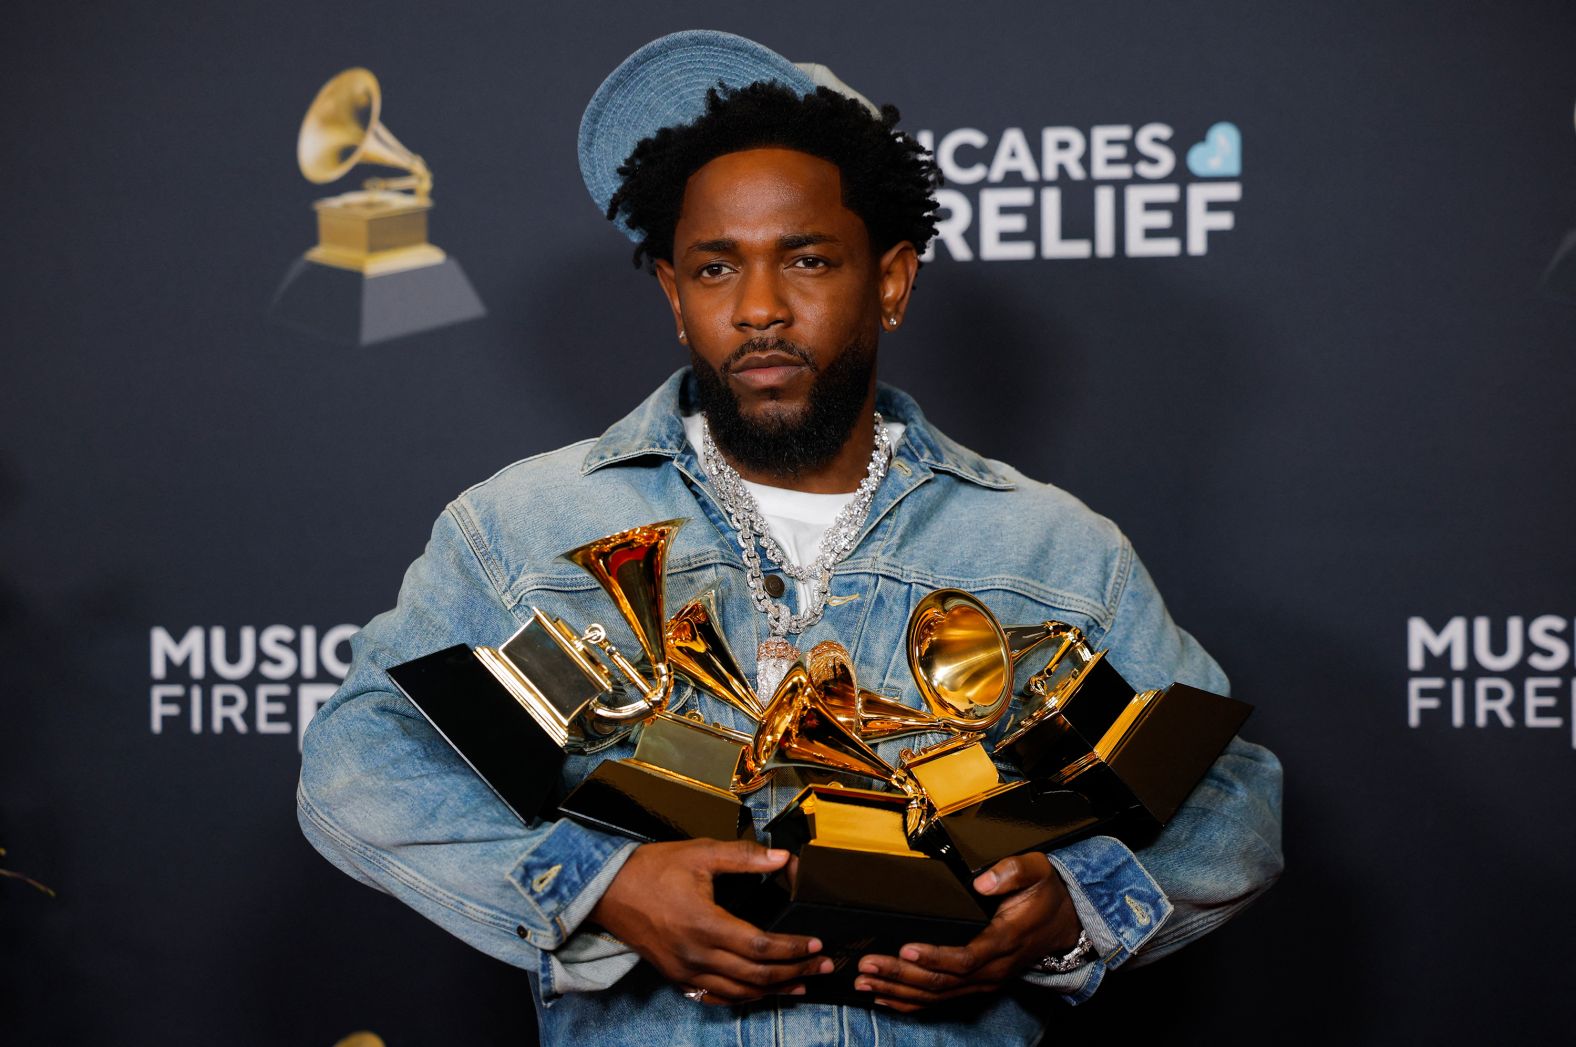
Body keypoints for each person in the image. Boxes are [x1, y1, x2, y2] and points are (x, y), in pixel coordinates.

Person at [297, 29, 1283, 1046]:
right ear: (676, 299)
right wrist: (600, 887)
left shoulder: (1051, 550)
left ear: (891, 282)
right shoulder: (524, 529)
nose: (760, 308)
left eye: (806, 261)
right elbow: (358, 762)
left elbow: (1233, 800)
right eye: (715, 269)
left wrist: (1071, 910)